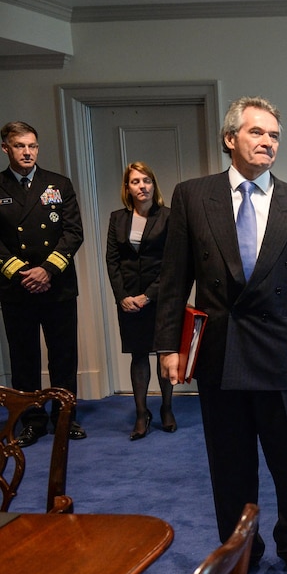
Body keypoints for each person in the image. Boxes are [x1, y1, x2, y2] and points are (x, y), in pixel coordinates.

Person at [154, 96, 287, 574]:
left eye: (274, 135)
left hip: (280, 349)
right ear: (230, 138)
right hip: (219, 350)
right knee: (229, 462)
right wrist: (168, 347)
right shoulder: (192, 196)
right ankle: (239, 548)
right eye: (258, 133)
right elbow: (174, 280)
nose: (268, 143)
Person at [0, 121, 86, 446]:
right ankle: (32, 422)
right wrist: (23, 272)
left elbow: (73, 232)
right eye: (20, 146)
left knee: (63, 356)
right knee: (24, 359)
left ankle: (66, 418)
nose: (27, 152)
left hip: (57, 285)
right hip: (16, 288)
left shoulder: (58, 183)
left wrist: (47, 270)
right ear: (6, 148)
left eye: (32, 146)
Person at [105, 162, 176, 440]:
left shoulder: (169, 217)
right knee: (138, 354)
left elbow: (172, 263)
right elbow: (112, 261)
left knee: (163, 352)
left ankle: (167, 409)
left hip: (159, 298)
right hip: (128, 300)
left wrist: (149, 295)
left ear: (154, 185)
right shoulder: (117, 218)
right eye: (135, 181)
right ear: (127, 188)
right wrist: (122, 296)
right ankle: (140, 413)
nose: (142, 186)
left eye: (147, 180)